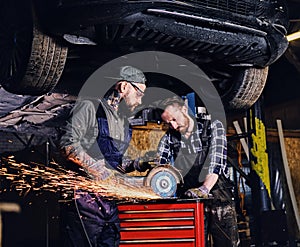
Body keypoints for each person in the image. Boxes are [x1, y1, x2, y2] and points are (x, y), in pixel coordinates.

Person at [58, 65, 147, 247]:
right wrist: (99, 170)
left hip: (109, 201)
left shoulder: (123, 121)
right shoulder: (90, 107)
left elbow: (114, 161)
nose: (140, 101)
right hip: (84, 199)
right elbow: (68, 144)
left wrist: (137, 165)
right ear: (123, 87)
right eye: (139, 94)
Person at [157, 96, 240, 247]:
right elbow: (160, 167)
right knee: (194, 242)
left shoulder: (213, 128)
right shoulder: (169, 138)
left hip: (218, 197)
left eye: (174, 119)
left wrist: (204, 188)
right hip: (191, 199)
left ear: (183, 109)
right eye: (168, 123)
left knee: (227, 243)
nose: (173, 126)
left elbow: (216, 163)